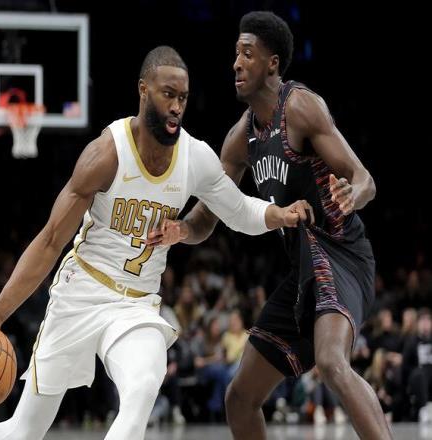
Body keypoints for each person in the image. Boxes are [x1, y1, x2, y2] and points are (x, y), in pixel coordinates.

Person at [0, 46, 312, 440]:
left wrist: (277, 213)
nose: (176, 107)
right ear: (143, 90)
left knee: (143, 387)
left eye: (183, 98)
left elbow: (238, 210)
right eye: (168, 94)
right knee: (26, 428)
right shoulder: (106, 154)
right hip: (81, 294)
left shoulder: (195, 157)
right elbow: (50, 241)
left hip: (136, 306)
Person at [148, 12, 392, 439]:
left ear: (272, 63)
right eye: (235, 54)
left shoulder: (300, 107)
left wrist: (352, 195)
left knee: (332, 362)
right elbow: (206, 218)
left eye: (247, 54)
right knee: (239, 398)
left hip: (342, 258)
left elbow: (364, 178)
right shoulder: (240, 139)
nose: (236, 63)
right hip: (302, 274)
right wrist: (180, 230)